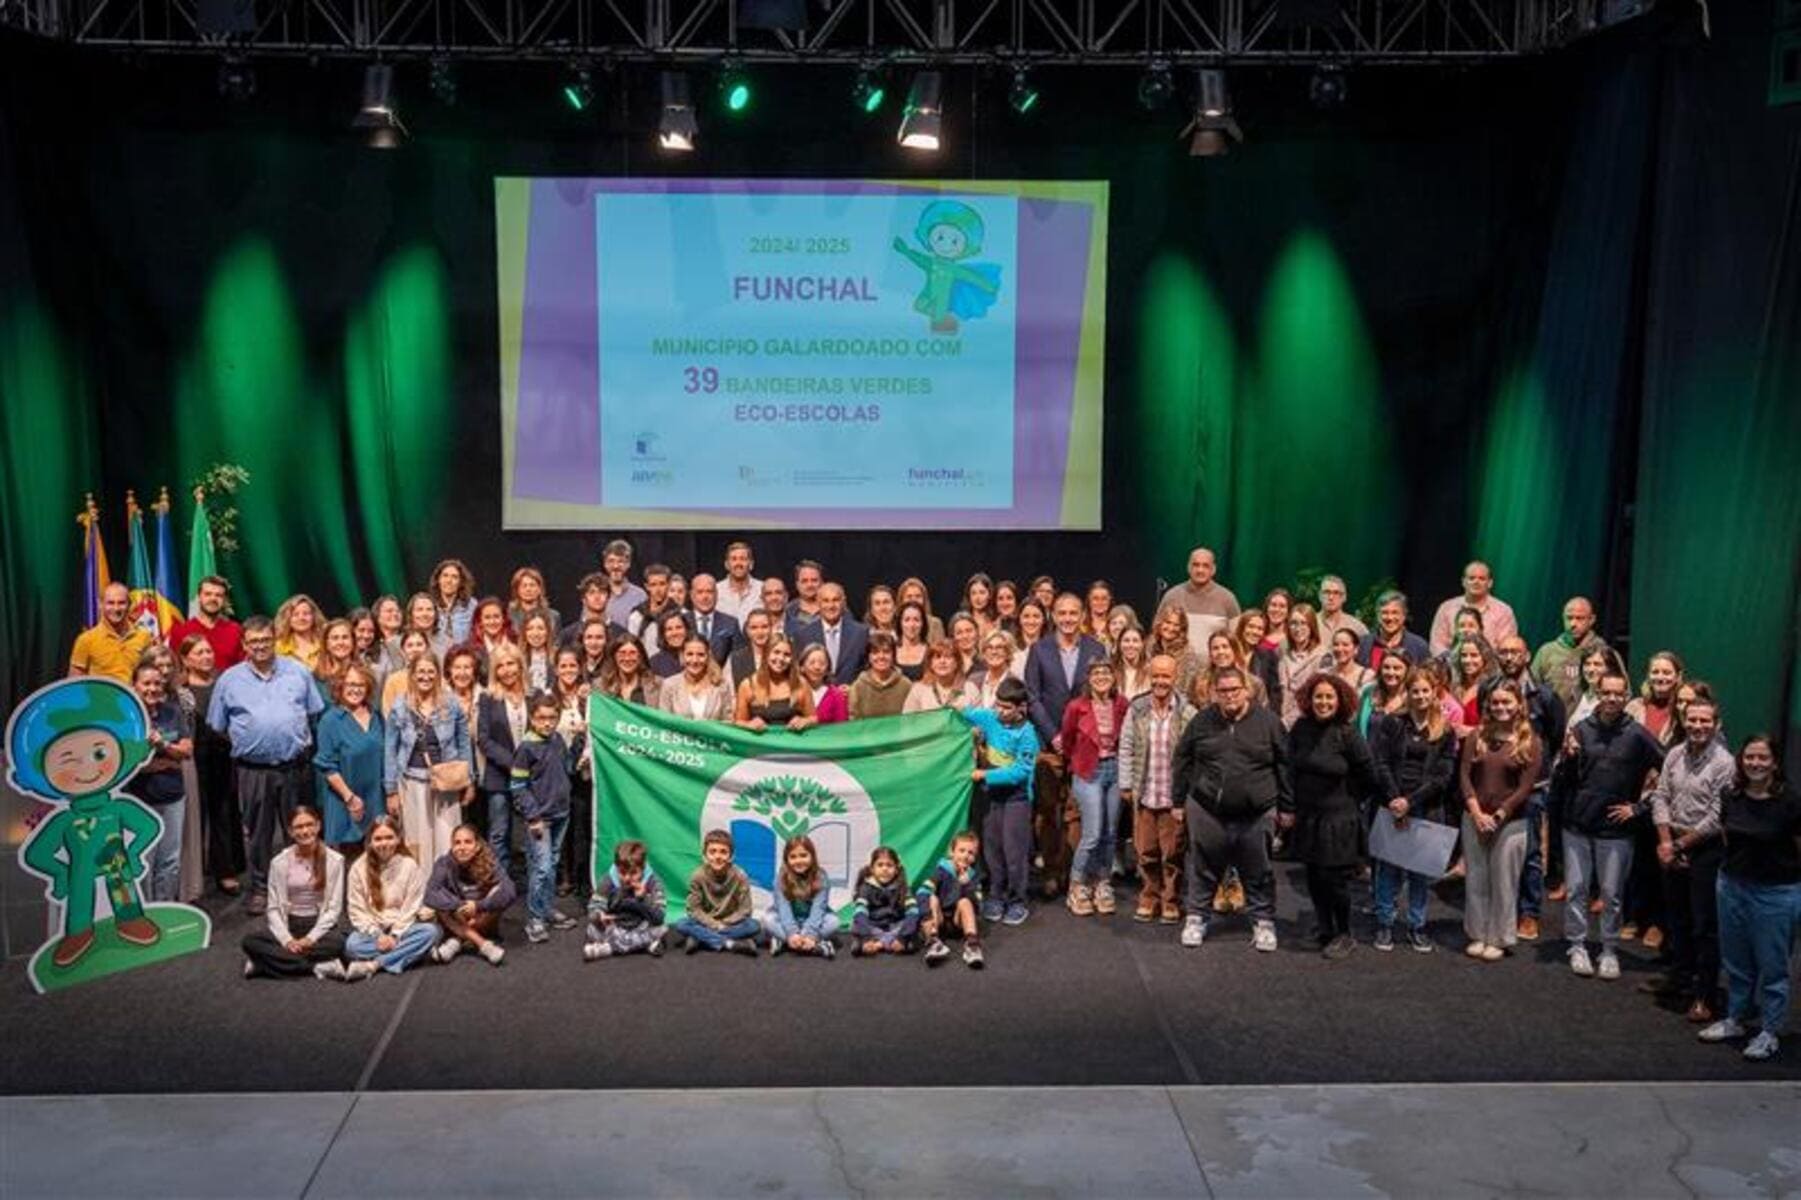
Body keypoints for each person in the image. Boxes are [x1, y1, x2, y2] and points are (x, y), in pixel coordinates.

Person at [208, 616, 325, 914]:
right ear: (244, 645)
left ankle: (301, 886)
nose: (260, 646)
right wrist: (251, 739)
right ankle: (261, 888)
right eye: (253, 641)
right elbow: (217, 725)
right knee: (258, 833)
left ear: (275, 640)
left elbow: (313, 712)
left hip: (294, 767)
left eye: (265, 640)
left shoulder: (298, 671)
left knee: (299, 828)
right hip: (253, 770)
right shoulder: (229, 680)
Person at [1555, 670, 1665, 980]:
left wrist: (1640, 807)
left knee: (1612, 894)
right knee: (1576, 890)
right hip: (1577, 826)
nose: (1612, 699)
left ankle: (1609, 949)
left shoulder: (1637, 734)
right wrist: (1567, 758)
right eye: (1607, 693)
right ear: (1598, 694)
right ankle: (1577, 945)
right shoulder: (1580, 729)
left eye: (1618, 694)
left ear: (1627, 696)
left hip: (1616, 830)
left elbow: (1670, 770)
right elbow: (1565, 778)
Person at [1697, 736, 1801, 1061]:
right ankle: (1737, 1019)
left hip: (1776, 894)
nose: (1755, 763)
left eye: (1762, 758)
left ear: (1775, 762)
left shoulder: (1790, 802)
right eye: (1750, 757)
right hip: (1732, 887)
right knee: (1736, 962)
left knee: (1773, 967)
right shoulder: (1731, 795)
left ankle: (1769, 1031)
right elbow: (1728, 836)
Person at [1174, 666, 1288, 951]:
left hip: (1257, 810)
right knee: (1202, 867)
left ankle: (1263, 921)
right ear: (1214, 693)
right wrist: (1178, 801)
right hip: (1207, 808)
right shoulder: (1201, 721)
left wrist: (1287, 806)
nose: (1229, 696)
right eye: (1223, 691)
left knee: (1259, 868)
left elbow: (1285, 765)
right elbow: (1183, 759)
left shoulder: (1269, 722)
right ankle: (1197, 917)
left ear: (1246, 690)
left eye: (1234, 690)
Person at [1280, 673, 1388, 958]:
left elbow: (1370, 775)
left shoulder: (1347, 734)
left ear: (1340, 701)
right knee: (1314, 877)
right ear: (1309, 699)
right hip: (1308, 817)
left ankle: (1344, 933)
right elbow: (1290, 769)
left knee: (1334, 881)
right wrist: (1289, 807)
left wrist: (1352, 801)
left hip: (1339, 820)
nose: (1324, 702)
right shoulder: (1301, 729)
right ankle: (1325, 927)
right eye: (1319, 696)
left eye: (1329, 697)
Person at [1645, 697, 1735, 1021]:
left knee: (1704, 925)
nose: (1697, 726)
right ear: (1684, 721)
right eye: (1692, 720)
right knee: (1677, 919)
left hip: (1705, 849)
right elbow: (1660, 797)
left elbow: (1716, 817)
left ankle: (1705, 995)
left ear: (1716, 724)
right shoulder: (1674, 754)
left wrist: (1679, 846)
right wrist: (1666, 841)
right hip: (1672, 841)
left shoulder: (1725, 763)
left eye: (1704, 721)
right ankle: (1680, 978)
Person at [1369, 666, 1458, 952]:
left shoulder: (1445, 730)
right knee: (1389, 869)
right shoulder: (1393, 723)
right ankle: (1385, 923)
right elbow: (1380, 762)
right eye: (1415, 691)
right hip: (1393, 804)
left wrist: (1411, 801)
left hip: (1425, 806)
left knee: (1420, 873)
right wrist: (1395, 799)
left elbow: (1443, 776)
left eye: (1425, 691)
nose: (1420, 696)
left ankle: (1417, 925)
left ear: (1435, 693)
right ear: (1408, 693)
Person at [1025, 593, 1107, 897]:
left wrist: (1076, 736)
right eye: (1062, 613)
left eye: (1073, 613)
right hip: (1049, 745)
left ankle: (1074, 875)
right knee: (1047, 811)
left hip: (1084, 745)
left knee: (1077, 811)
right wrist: (1053, 734)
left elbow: (1101, 696)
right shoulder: (1039, 650)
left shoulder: (1096, 649)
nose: (1068, 619)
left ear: (1082, 615)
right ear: (1054, 616)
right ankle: (1051, 872)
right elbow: (1031, 697)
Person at [1488, 635, 1567, 942]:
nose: (1509, 657)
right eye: (1504, 652)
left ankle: (1529, 913)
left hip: (1532, 787)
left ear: (1527, 656)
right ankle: (1500, 909)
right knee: (1496, 849)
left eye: (1515, 652)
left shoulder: (1545, 696)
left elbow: (1554, 738)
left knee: (1530, 852)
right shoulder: (1488, 689)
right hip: (1495, 785)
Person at [1458, 681, 1541, 961]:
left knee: (1504, 881)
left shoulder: (1530, 741)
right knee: (1477, 878)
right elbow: (1464, 775)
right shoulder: (1477, 736)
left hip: (1511, 822)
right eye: (1495, 702)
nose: (1500, 707)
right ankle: (1478, 933)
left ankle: (1499, 937)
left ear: (1518, 704)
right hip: (1474, 817)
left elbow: (1525, 788)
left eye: (1506, 702)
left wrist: (1499, 815)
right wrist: (1476, 812)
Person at [1119, 655, 1198, 924]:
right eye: (1156, 676)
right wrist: (1126, 784)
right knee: (1145, 850)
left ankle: (1171, 900)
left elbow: (1194, 756)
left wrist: (1186, 795)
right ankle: (1149, 896)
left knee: (1173, 852)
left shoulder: (1187, 712)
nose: (1160, 681)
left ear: (1175, 678)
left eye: (1166, 676)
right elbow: (1126, 746)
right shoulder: (1137, 708)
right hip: (1145, 793)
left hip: (1173, 797)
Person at [316, 815, 438, 981]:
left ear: (398, 839)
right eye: (378, 839)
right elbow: (357, 910)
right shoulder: (358, 868)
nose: (384, 843)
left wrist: (394, 936)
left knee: (430, 932)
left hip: (402, 929)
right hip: (372, 933)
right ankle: (406, 954)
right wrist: (378, 935)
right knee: (352, 945)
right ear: (370, 841)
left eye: (389, 837)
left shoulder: (409, 865)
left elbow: (412, 907)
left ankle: (374, 964)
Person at [963, 676, 1039, 925]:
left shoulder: (1027, 734)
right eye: (998, 705)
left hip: (1016, 798)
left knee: (1013, 850)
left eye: (1007, 708)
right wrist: (954, 708)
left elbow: (1021, 772)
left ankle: (1017, 899)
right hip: (992, 797)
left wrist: (986, 774)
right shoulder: (990, 718)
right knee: (992, 848)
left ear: (1021, 708)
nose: (1000, 711)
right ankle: (995, 894)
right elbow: (965, 714)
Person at [383, 654, 471, 867]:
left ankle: (446, 883)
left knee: (447, 838)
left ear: (438, 674)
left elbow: (464, 742)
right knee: (417, 842)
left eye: (431, 671)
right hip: (411, 782)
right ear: (412, 674)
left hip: (446, 784)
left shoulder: (451, 704)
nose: (426, 676)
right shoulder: (400, 706)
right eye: (421, 671)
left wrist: (469, 780)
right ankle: (420, 885)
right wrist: (391, 790)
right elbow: (390, 749)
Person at [241, 806, 347, 979]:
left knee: (340, 944)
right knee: (250, 942)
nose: (305, 831)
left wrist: (310, 938)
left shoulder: (335, 860)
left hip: (318, 924)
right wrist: (287, 940)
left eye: (309, 825)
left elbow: (334, 909)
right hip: (290, 923)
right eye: (299, 827)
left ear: (318, 826)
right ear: (290, 831)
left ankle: (265, 963)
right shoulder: (279, 862)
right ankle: (316, 967)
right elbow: (273, 908)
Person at [1060, 659, 1127, 917]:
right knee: (1092, 833)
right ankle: (1077, 885)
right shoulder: (1076, 707)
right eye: (1096, 673)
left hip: (1115, 771)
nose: (1101, 677)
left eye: (1106, 672)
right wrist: (1078, 764)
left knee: (1110, 833)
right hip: (1088, 772)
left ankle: (1102, 882)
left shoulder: (1122, 704)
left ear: (1113, 676)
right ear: (1088, 678)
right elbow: (1067, 741)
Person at [179, 631, 243, 895]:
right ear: (186, 659)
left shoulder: (225, 683)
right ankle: (193, 875)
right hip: (192, 760)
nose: (206, 657)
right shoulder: (181, 690)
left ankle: (225, 870)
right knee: (195, 815)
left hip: (223, 758)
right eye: (199, 653)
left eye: (208, 651)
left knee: (223, 813)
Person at [512, 694, 579, 943]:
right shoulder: (526, 748)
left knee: (552, 865)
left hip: (562, 813)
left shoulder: (558, 740)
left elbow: (568, 767)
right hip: (540, 819)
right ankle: (534, 919)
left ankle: (547, 909)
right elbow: (517, 786)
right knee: (540, 868)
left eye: (552, 718)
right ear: (532, 718)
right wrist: (533, 816)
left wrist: (580, 742)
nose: (547, 723)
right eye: (541, 718)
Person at [124, 661, 192, 902]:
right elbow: (126, 764)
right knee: (143, 861)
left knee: (170, 860)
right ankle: (144, 912)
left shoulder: (172, 712)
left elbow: (186, 751)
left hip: (173, 798)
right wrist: (156, 764)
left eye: (157, 683)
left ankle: (164, 910)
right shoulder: (126, 718)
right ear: (134, 685)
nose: (152, 689)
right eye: (146, 683)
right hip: (138, 801)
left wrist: (163, 745)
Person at [314, 665, 387, 856]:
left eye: (360, 685)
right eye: (350, 684)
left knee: (378, 855)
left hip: (376, 800)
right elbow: (327, 766)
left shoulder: (376, 716)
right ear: (340, 686)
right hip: (345, 801)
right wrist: (350, 799)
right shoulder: (330, 720)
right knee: (350, 858)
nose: (355, 690)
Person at [426, 824, 514, 966]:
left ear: (477, 846)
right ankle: (483, 945)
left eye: (468, 842)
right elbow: (430, 894)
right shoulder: (443, 863)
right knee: (440, 902)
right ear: (452, 846)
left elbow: (509, 891)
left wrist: (478, 906)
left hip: (481, 916)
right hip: (456, 916)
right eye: (457, 843)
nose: (462, 847)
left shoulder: (490, 860)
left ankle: (458, 941)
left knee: (498, 891)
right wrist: (460, 905)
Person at [476, 645, 529, 873]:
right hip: (499, 776)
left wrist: (526, 765)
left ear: (520, 665)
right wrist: (512, 764)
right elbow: (483, 739)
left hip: (530, 776)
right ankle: (499, 882)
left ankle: (528, 883)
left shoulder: (534, 695)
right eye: (500, 666)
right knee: (499, 834)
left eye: (511, 664)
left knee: (527, 834)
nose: (507, 670)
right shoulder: (488, 698)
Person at [673, 828, 760, 955]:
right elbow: (694, 909)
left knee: (753, 925)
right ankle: (729, 943)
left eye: (723, 852)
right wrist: (714, 924)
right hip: (706, 921)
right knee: (681, 924)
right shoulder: (698, 876)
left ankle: (700, 938)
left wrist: (724, 923)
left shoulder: (740, 875)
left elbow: (745, 910)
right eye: (712, 852)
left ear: (731, 856)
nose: (717, 857)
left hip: (730, 923)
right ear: (705, 855)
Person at [551, 649, 595, 900]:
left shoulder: (589, 698)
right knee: (561, 824)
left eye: (573, 666)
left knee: (582, 824)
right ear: (556, 669)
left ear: (580, 668)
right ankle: (563, 875)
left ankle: (583, 876)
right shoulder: (548, 697)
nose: (568, 670)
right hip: (556, 771)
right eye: (563, 666)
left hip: (582, 771)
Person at [583, 839, 668, 960]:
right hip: (615, 927)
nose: (627, 878)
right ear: (616, 867)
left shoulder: (653, 882)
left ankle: (608, 949)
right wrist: (599, 915)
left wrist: (643, 899)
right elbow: (594, 906)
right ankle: (644, 945)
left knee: (662, 928)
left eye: (633, 873)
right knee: (592, 928)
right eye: (622, 873)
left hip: (640, 926)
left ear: (643, 868)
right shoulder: (608, 880)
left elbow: (659, 917)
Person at [915, 830, 985, 968]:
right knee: (932, 898)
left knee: (965, 902)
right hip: (938, 920)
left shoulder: (973, 876)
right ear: (952, 852)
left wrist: (967, 886)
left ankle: (972, 945)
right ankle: (933, 942)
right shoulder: (941, 871)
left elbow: (978, 906)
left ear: (975, 857)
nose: (966, 856)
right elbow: (922, 891)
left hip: (958, 923)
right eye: (962, 851)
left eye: (971, 853)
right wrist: (926, 916)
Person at [1155, 547, 1241, 656]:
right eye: (1196, 565)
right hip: (1175, 664)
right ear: (1188, 567)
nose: (1200, 570)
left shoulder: (1228, 599)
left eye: (1205, 566)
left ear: (1213, 569)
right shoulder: (1172, 596)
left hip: (1214, 666)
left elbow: (1237, 641)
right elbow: (1156, 634)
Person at [764, 834, 840, 957]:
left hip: (812, 921)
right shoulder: (781, 878)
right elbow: (783, 908)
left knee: (833, 922)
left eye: (803, 855)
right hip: (787, 920)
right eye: (793, 857)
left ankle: (785, 942)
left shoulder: (821, 877)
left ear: (812, 856)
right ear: (786, 859)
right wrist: (792, 933)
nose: (798, 860)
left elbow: (819, 908)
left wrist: (810, 934)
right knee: (768, 919)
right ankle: (814, 945)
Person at [1531, 596, 1606, 712]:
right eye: (1569, 618)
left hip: (1592, 720)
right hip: (1553, 720)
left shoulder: (1604, 653)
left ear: (1591, 620)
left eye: (1579, 618)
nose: (1573, 624)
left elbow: (1621, 691)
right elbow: (1531, 691)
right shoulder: (1547, 652)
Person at [68, 581, 154, 681]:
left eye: (121, 603)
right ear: (100, 605)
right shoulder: (86, 640)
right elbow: (75, 682)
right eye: (110, 603)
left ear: (129, 605)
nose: (116, 608)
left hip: (132, 691)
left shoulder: (144, 637)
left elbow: (150, 677)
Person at [1429, 560, 1518, 654]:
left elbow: (1506, 647)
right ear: (1463, 582)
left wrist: (1481, 660)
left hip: (1490, 662)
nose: (1476, 582)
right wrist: (1454, 661)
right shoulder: (1446, 608)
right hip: (1450, 662)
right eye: (1471, 578)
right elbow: (1437, 644)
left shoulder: (1504, 611)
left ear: (1490, 583)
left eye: (1482, 579)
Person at [737, 636, 818, 731]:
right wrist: (749, 725)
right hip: (759, 740)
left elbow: (814, 718)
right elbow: (739, 722)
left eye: (787, 654)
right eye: (776, 652)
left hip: (792, 740)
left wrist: (804, 721)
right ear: (766, 654)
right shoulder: (747, 685)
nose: (781, 658)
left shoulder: (801, 683)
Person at [167, 573, 244, 672]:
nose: (213, 599)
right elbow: (175, 669)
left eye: (218, 595)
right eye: (208, 594)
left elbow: (243, 668)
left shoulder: (236, 630)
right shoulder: (180, 631)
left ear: (224, 600)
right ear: (199, 597)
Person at [851, 846, 919, 955]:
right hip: (873, 927)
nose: (885, 869)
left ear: (896, 869)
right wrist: (867, 936)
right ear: (872, 869)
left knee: (913, 923)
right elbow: (860, 913)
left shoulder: (903, 888)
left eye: (889, 865)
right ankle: (890, 944)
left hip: (895, 927)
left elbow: (913, 912)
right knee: (856, 924)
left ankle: (878, 945)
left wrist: (902, 937)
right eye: (880, 865)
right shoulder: (866, 887)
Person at [1276, 605, 1335, 728]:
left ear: (1312, 626)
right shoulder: (1283, 655)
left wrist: (1287, 721)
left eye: (1304, 623)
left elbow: (1318, 692)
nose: (1298, 629)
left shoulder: (1324, 656)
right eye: (1293, 623)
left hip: (1309, 723)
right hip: (1281, 720)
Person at [805, 582, 869, 685]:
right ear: (818, 603)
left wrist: (855, 688)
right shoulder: (803, 634)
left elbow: (866, 668)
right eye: (826, 601)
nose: (831, 606)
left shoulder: (860, 633)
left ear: (843, 602)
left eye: (835, 600)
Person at [661, 637, 735, 722]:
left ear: (708, 656)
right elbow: (664, 722)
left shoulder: (721, 685)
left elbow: (727, 721)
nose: (695, 660)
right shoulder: (669, 685)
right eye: (690, 654)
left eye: (701, 655)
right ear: (682, 656)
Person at [1357, 591, 1431, 671]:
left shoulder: (1419, 646)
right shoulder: (1363, 645)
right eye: (1384, 613)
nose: (1390, 618)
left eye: (1395, 613)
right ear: (1377, 615)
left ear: (1404, 616)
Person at [1627, 651, 1685, 748]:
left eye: (1666, 673)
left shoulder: (1682, 709)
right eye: (1655, 672)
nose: (1660, 677)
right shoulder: (1633, 707)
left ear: (1678, 676)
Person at [847, 632, 910, 720]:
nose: (881, 656)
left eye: (886, 652)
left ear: (893, 655)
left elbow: (911, 720)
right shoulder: (858, 687)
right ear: (869, 657)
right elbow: (853, 720)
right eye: (875, 652)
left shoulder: (906, 685)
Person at [904, 639, 974, 714]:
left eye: (948, 657)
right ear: (931, 664)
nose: (942, 661)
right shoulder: (918, 690)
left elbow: (979, 720)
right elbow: (907, 719)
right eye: (938, 657)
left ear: (957, 663)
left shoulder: (970, 689)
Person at [1148, 604, 1202, 699]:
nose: (1171, 628)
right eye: (1168, 622)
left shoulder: (1188, 654)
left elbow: (1186, 689)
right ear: (1160, 623)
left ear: (1182, 628)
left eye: (1176, 625)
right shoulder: (1150, 646)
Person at [1355, 650, 1411, 738]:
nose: (1391, 672)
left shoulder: (1413, 696)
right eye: (1386, 667)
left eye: (1397, 668)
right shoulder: (1369, 693)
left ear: (1407, 670)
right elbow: (1358, 726)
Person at [557, 573, 611, 654]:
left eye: (602, 592)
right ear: (583, 599)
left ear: (609, 597)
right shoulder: (567, 635)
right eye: (592, 592)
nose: (597, 597)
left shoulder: (620, 633)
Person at [599, 539, 647, 630]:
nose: (616, 566)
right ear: (605, 564)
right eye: (611, 561)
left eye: (620, 561)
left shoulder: (640, 596)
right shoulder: (596, 594)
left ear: (628, 564)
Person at [797, 643, 850, 724]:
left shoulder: (836, 695)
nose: (817, 667)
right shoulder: (794, 690)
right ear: (802, 667)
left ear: (827, 669)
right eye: (812, 662)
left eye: (822, 663)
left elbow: (842, 727)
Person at [428, 559, 476, 645]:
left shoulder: (472, 605)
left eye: (454, 577)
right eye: (445, 576)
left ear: (461, 582)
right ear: (438, 579)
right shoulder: (429, 605)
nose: (449, 581)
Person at [597, 634, 654, 706]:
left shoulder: (656, 685)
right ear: (614, 656)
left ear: (640, 656)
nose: (627, 658)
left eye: (632, 653)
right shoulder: (600, 686)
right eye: (622, 653)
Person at [273, 594, 326, 671]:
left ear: (314, 617)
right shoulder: (278, 648)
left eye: (306, 613)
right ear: (288, 619)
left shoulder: (325, 644)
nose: (301, 618)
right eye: (295, 614)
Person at [716, 540, 763, 626]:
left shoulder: (762, 589)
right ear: (726, 564)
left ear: (751, 564)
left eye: (743, 559)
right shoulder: (716, 590)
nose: (738, 563)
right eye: (734, 559)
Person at [507, 566, 560, 640]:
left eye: (532, 585)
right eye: (524, 586)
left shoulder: (553, 616)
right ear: (517, 590)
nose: (528, 589)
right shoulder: (508, 616)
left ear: (540, 589)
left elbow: (556, 643)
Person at [726, 609, 773, 692]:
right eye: (754, 628)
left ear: (771, 628)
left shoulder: (780, 655)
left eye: (764, 627)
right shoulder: (735, 659)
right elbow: (729, 691)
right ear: (747, 630)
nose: (760, 632)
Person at [969, 631, 1018, 709]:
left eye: (999, 647)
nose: (994, 652)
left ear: (1008, 652)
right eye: (989, 647)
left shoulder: (1016, 684)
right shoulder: (973, 681)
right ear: (984, 653)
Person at [1317, 575, 1368, 643]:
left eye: (1336, 593)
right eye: (1326, 592)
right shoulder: (1310, 624)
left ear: (1344, 597)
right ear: (1320, 596)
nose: (1331, 597)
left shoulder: (1357, 627)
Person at [896, 577, 947, 643]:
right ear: (901, 600)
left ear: (924, 599)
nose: (914, 600)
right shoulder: (895, 623)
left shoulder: (935, 624)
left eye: (918, 596)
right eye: (909, 596)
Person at [785, 559, 825, 641]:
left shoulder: (835, 609)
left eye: (814, 580)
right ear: (797, 584)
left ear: (822, 582)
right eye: (804, 581)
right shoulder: (788, 611)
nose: (809, 585)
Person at [519, 612, 556, 695]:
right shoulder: (517, 657)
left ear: (548, 631)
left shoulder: (557, 656)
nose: (535, 633)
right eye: (530, 629)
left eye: (541, 628)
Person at [647, 610, 692, 679]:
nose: (675, 633)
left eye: (679, 627)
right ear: (663, 634)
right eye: (669, 629)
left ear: (687, 629)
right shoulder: (655, 662)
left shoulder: (699, 655)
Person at [1009, 599, 1047, 679]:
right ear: (1019, 619)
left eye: (1036, 616)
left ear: (1043, 619)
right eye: (1026, 616)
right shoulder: (1010, 648)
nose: (1031, 621)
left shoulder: (1052, 649)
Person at [894, 602, 931, 681]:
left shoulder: (930, 652)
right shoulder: (891, 650)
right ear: (900, 623)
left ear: (923, 623)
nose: (912, 625)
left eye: (916, 620)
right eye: (907, 620)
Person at [1328, 629, 1371, 694]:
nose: (1340, 649)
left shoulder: (1367, 676)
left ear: (1356, 649)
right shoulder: (1325, 674)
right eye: (1336, 644)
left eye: (1345, 645)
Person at [964, 572, 1002, 638]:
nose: (977, 598)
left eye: (982, 592)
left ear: (989, 595)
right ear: (969, 596)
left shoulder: (998, 619)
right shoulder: (963, 620)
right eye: (973, 593)